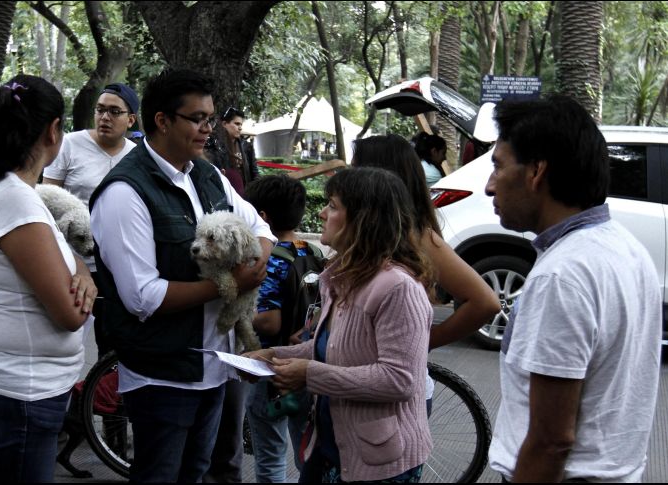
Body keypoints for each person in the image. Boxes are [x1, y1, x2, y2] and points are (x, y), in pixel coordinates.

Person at [89, 68, 275, 483]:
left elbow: (261, 229)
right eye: (198, 118)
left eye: (210, 118)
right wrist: (229, 285)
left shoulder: (206, 175)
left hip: (214, 366)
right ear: (162, 120)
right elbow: (143, 297)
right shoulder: (125, 192)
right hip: (163, 374)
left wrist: (254, 261)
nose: (208, 128)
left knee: (196, 475)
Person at [485, 96, 661, 483]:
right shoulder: (626, 249)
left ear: (536, 172)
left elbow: (552, 441)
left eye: (498, 166)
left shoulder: (562, 276)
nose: (488, 186)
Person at [249, 167, 436, 483]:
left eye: (333, 205)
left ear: (365, 219)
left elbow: (399, 380)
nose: (321, 213)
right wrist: (272, 356)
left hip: (379, 462)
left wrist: (308, 374)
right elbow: (330, 348)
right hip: (329, 446)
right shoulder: (341, 278)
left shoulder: (398, 287)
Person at [0, 74, 96, 482]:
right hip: (17, 397)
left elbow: (46, 253)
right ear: (53, 131)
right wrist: (87, 284)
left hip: (5, 388)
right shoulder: (14, 200)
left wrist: (81, 269)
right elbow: (70, 314)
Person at [351, 135, 499, 351]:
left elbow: (485, 303)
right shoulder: (362, 231)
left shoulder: (415, 235)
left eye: (354, 170)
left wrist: (421, 343)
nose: (345, 179)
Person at [43, 81, 139, 358]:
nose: (104, 117)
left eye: (114, 112)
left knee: (112, 341)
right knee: (66, 337)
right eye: (100, 110)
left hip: (117, 264)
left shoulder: (137, 157)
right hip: (71, 261)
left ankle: (102, 398)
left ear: (130, 119)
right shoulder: (70, 145)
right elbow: (48, 199)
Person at [240, 174, 316, 482]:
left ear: (262, 217)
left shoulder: (271, 258)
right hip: (307, 362)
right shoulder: (310, 250)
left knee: (270, 455)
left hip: (273, 370)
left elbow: (270, 321)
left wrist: (239, 318)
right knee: (306, 454)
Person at [203, 106, 258, 197]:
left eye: (241, 125)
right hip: (224, 193)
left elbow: (254, 172)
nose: (240, 128)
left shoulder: (246, 146)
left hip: (245, 194)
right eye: (236, 124)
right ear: (224, 124)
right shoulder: (215, 146)